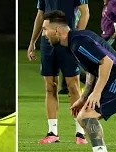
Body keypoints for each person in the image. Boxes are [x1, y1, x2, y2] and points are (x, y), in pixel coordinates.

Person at [42, 10, 116, 152]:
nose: (44, 34)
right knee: (82, 116)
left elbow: (106, 63)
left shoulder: (78, 42)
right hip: (114, 82)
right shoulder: (74, 43)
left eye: (45, 29)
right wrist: (84, 97)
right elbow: (91, 71)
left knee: (87, 117)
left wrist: (97, 93)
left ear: (57, 30)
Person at [27, 0, 90, 144]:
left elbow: (85, 12)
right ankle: (52, 133)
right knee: (50, 86)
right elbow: (40, 14)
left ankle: (80, 134)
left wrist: (75, 37)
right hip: (48, 41)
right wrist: (32, 41)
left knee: (73, 86)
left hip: (67, 39)